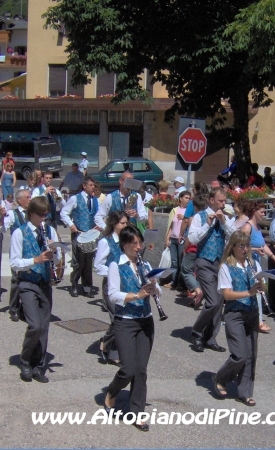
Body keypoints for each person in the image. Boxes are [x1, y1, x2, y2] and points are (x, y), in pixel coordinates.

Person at [103, 226, 161, 432]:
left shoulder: (144, 264)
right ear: (124, 245)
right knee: (128, 368)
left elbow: (157, 291)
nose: (139, 247)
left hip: (145, 320)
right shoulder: (115, 265)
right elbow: (113, 295)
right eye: (134, 243)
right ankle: (112, 391)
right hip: (125, 320)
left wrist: (155, 286)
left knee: (141, 371)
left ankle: (137, 413)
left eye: (140, 242)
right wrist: (137, 295)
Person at [10, 196, 61, 383]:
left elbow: (57, 260)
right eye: (40, 215)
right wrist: (36, 260)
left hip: (45, 283)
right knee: (35, 325)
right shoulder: (19, 233)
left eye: (45, 215)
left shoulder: (50, 231)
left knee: (44, 327)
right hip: (28, 283)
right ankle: (25, 361)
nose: (43, 219)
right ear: (30, 213)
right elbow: (15, 263)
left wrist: (55, 254)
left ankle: (38, 365)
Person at [212, 231, 265, 406]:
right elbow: (226, 295)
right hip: (235, 314)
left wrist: (261, 286)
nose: (245, 249)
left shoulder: (254, 264)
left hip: (252, 312)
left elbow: (259, 287)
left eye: (247, 245)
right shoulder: (226, 267)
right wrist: (248, 293)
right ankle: (220, 377)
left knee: (251, 354)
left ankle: (245, 392)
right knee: (240, 354)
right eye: (241, 245)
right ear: (233, 247)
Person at [189, 187, 235, 353]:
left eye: (225, 201)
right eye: (221, 201)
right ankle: (197, 332)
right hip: (204, 261)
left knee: (220, 301)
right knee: (213, 301)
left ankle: (210, 337)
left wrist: (223, 222)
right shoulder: (199, 217)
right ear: (211, 200)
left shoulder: (226, 218)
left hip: (220, 263)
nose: (223, 204)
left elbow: (234, 236)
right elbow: (192, 238)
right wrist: (207, 225)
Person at [94, 210, 129, 365]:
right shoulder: (105, 241)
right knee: (116, 318)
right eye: (122, 223)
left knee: (123, 319)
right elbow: (98, 266)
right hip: (111, 285)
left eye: (126, 222)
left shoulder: (125, 240)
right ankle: (110, 349)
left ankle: (107, 343)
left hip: (126, 284)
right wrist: (113, 273)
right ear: (114, 224)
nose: (125, 225)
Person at [240, 201, 275, 332]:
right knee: (257, 290)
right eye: (262, 211)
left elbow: (263, 245)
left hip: (255, 263)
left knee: (258, 290)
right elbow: (240, 246)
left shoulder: (257, 227)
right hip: (247, 262)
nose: (264, 214)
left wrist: (274, 257)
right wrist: (254, 250)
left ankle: (251, 318)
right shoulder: (247, 227)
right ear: (254, 212)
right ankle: (257, 321)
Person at [60, 176, 99, 297]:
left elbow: (98, 215)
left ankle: (87, 287)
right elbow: (64, 212)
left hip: (91, 234)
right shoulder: (75, 199)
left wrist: (99, 224)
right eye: (91, 185)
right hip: (78, 233)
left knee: (88, 261)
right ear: (84, 186)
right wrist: (71, 224)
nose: (93, 187)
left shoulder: (95, 200)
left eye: (94, 185)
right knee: (78, 261)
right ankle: (74, 284)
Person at [0, 188, 32, 322]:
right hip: (17, 251)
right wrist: (1, 217)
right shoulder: (13, 214)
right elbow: (1, 228)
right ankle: (13, 308)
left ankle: (25, 308)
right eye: (28, 197)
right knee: (16, 280)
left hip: (30, 250)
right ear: (20, 200)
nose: (30, 199)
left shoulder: (32, 213)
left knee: (28, 279)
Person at [164, 190, 190, 290]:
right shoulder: (175, 210)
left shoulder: (188, 211)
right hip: (173, 238)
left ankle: (181, 283)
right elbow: (171, 226)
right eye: (186, 198)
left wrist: (184, 218)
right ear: (180, 198)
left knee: (181, 262)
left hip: (182, 239)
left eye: (189, 198)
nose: (187, 200)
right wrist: (167, 238)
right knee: (174, 262)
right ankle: (173, 282)